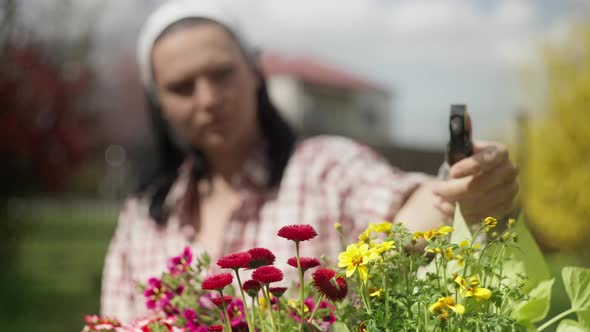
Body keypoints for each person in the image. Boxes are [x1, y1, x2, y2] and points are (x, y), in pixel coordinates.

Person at [101, 0, 519, 322]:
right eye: (182, 86)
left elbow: (407, 215)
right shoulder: (143, 219)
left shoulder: (326, 170)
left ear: (254, 71)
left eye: (222, 73)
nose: (208, 99)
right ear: (159, 103)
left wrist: (463, 192)